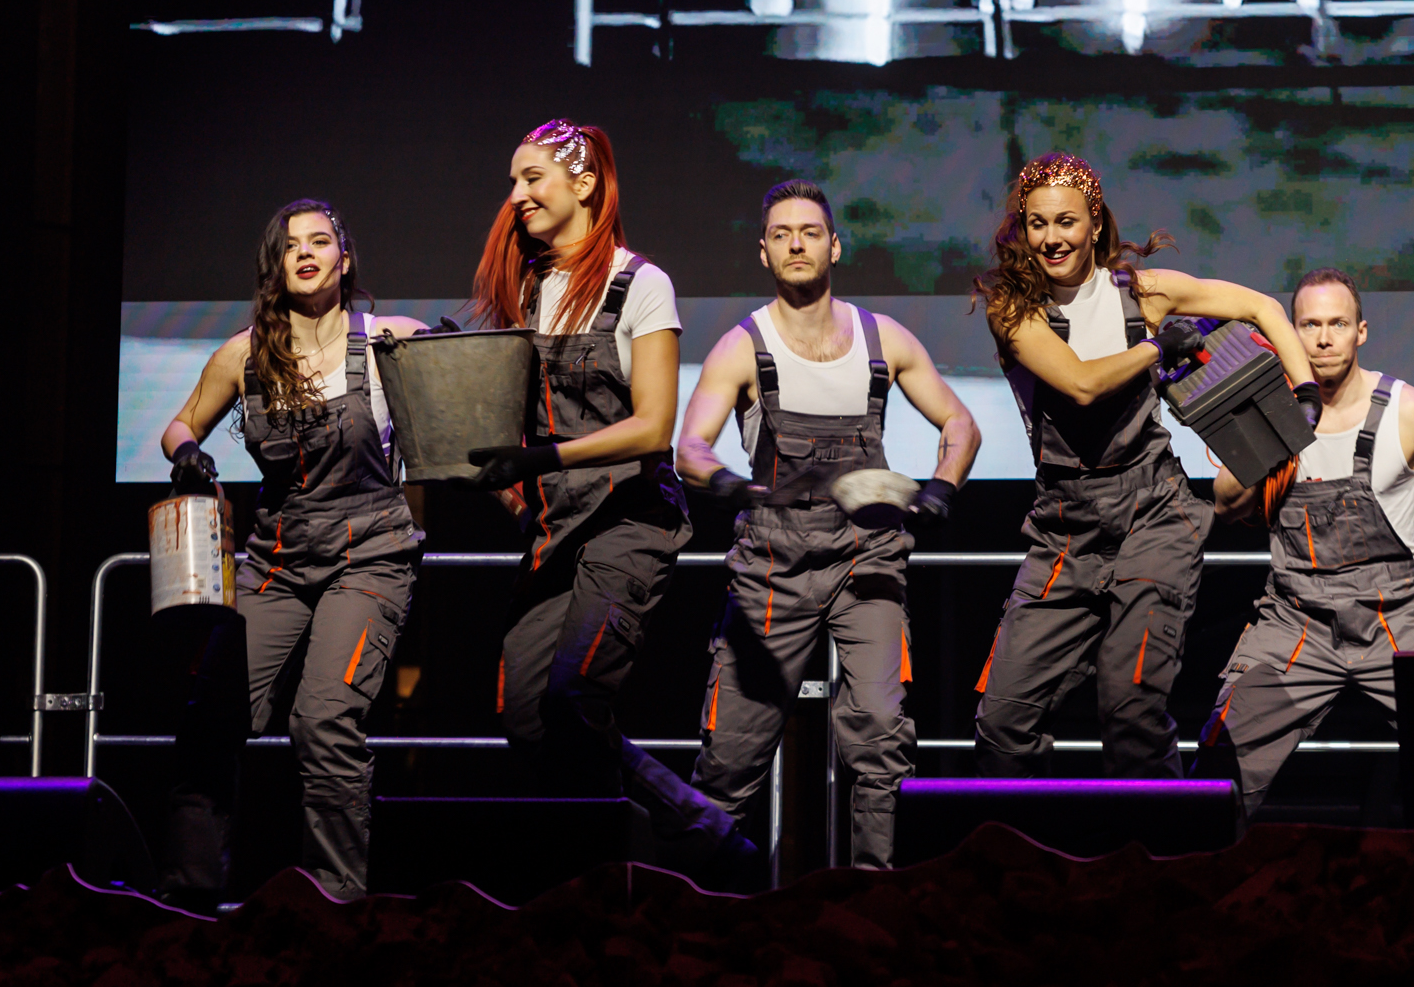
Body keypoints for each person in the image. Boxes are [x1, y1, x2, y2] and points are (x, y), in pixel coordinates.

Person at [465, 119, 755, 877]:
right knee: (526, 718)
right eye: (513, 180)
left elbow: (654, 426)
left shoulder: (639, 284)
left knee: (573, 698)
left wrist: (543, 458)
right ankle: (684, 831)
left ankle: (635, 868)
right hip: (554, 528)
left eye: (532, 178)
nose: (516, 194)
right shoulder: (524, 288)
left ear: (585, 183)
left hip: (629, 521)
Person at [970, 151, 1317, 776]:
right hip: (1064, 532)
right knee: (1002, 723)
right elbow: (1080, 384)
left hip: (1155, 516)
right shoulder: (1013, 309)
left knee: (1130, 711)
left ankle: (1161, 836)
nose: (1052, 238)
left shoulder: (1143, 292)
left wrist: (1306, 394)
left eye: (1067, 221)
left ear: (1094, 223)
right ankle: (1032, 839)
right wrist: (1158, 348)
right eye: (1038, 223)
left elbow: (1263, 307)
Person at [677, 179, 981, 869]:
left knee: (880, 737)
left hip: (865, 562)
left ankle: (876, 902)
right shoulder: (741, 346)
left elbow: (960, 423)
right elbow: (689, 447)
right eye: (781, 234)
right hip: (771, 569)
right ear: (763, 252)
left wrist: (940, 487)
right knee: (731, 754)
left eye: (809, 232)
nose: (796, 244)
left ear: (834, 246)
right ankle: (703, 906)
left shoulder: (883, 338)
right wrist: (726, 481)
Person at [157, 198, 428, 906]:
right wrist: (186, 455)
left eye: (319, 241)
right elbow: (179, 425)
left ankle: (335, 903)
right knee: (211, 718)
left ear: (345, 258)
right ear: (274, 266)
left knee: (324, 719)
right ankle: (188, 898)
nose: (304, 252)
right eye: (289, 245)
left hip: (369, 556)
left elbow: (465, 405)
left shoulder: (393, 340)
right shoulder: (243, 354)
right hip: (276, 560)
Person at [1196, 269, 1414, 818]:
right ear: (1291, 332)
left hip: (1397, 616)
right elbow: (1226, 504)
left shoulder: (1408, 409)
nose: (1323, 339)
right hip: (1295, 620)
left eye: (1337, 324)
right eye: (1309, 325)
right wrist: (1276, 425)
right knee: (1219, 765)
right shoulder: (1268, 410)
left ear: (1360, 331)